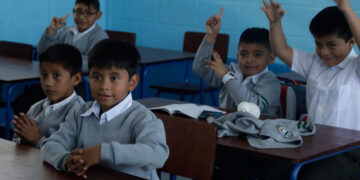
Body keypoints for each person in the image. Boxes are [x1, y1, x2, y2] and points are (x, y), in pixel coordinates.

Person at [41, 39, 169, 180]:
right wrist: (66, 161)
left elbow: (158, 154)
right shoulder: (81, 113)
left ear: (132, 83)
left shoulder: (142, 118)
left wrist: (102, 152)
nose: (104, 85)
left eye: (114, 78)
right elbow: (51, 145)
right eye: (97, 76)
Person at [260, 0, 360, 179]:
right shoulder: (314, 62)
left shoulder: (356, 67)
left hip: (348, 151)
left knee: (310, 177)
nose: (323, 52)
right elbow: (281, 49)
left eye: (331, 44)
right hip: (314, 145)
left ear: (351, 41)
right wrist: (275, 23)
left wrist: (346, 8)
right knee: (271, 169)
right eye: (318, 44)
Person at [192, 8, 281, 117]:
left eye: (257, 54)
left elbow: (250, 107)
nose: (249, 60)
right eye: (244, 54)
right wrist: (211, 36)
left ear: (271, 58)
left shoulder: (271, 83)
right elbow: (200, 68)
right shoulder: (231, 71)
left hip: (257, 131)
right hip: (228, 127)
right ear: (237, 56)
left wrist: (226, 77)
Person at [12, 44, 84, 148]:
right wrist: (23, 139)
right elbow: (15, 140)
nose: (48, 83)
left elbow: (67, 154)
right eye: (44, 75)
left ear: (76, 79)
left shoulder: (78, 112)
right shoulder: (36, 108)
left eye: (56, 75)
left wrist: (37, 140)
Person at [37, 0, 108, 61]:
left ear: (98, 15)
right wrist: (52, 30)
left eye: (88, 13)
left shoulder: (101, 37)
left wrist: (59, 57)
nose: (81, 17)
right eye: (78, 11)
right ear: (73, 11)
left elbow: (91, 63)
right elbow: (42, 53)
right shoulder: (66, 31)